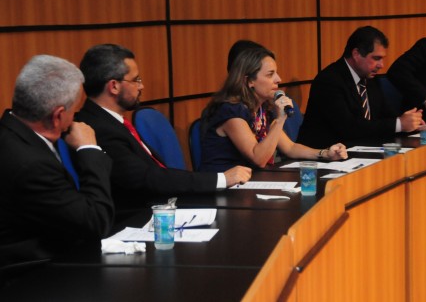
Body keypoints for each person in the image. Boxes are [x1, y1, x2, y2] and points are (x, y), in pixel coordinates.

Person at [75, 44, 251, 212]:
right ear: (114, 86)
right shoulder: (97, 128)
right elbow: (146, 178)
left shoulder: (111, 121)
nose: (141, 86)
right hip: (139, 217)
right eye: (136, 80)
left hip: (162, 204)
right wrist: (222, 178)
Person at [0, 55, 114, 268]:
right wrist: (89, 149)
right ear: (58, 116)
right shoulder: (32, 164)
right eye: (74, 111)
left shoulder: (11, 132)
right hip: (32, 275)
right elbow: (96, 222)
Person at [200, 44, 348, 172]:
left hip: (248, 184)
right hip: (222, 190)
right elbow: (258, 158)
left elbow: (289, 148)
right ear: (249, 80)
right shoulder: (231, 112)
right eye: (270, 74)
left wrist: (325, 153)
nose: (279, 79)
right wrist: (280, 118)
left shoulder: (263, 110)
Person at [297, 26, 423, 148]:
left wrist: (410, 122)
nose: (381, 65)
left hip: (360, 150)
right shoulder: (329, 81)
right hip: (323, 156)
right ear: (356, 54)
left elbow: (386, 115)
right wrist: (399, 124)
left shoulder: (370, 78)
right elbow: (349, 128)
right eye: (376, 58)